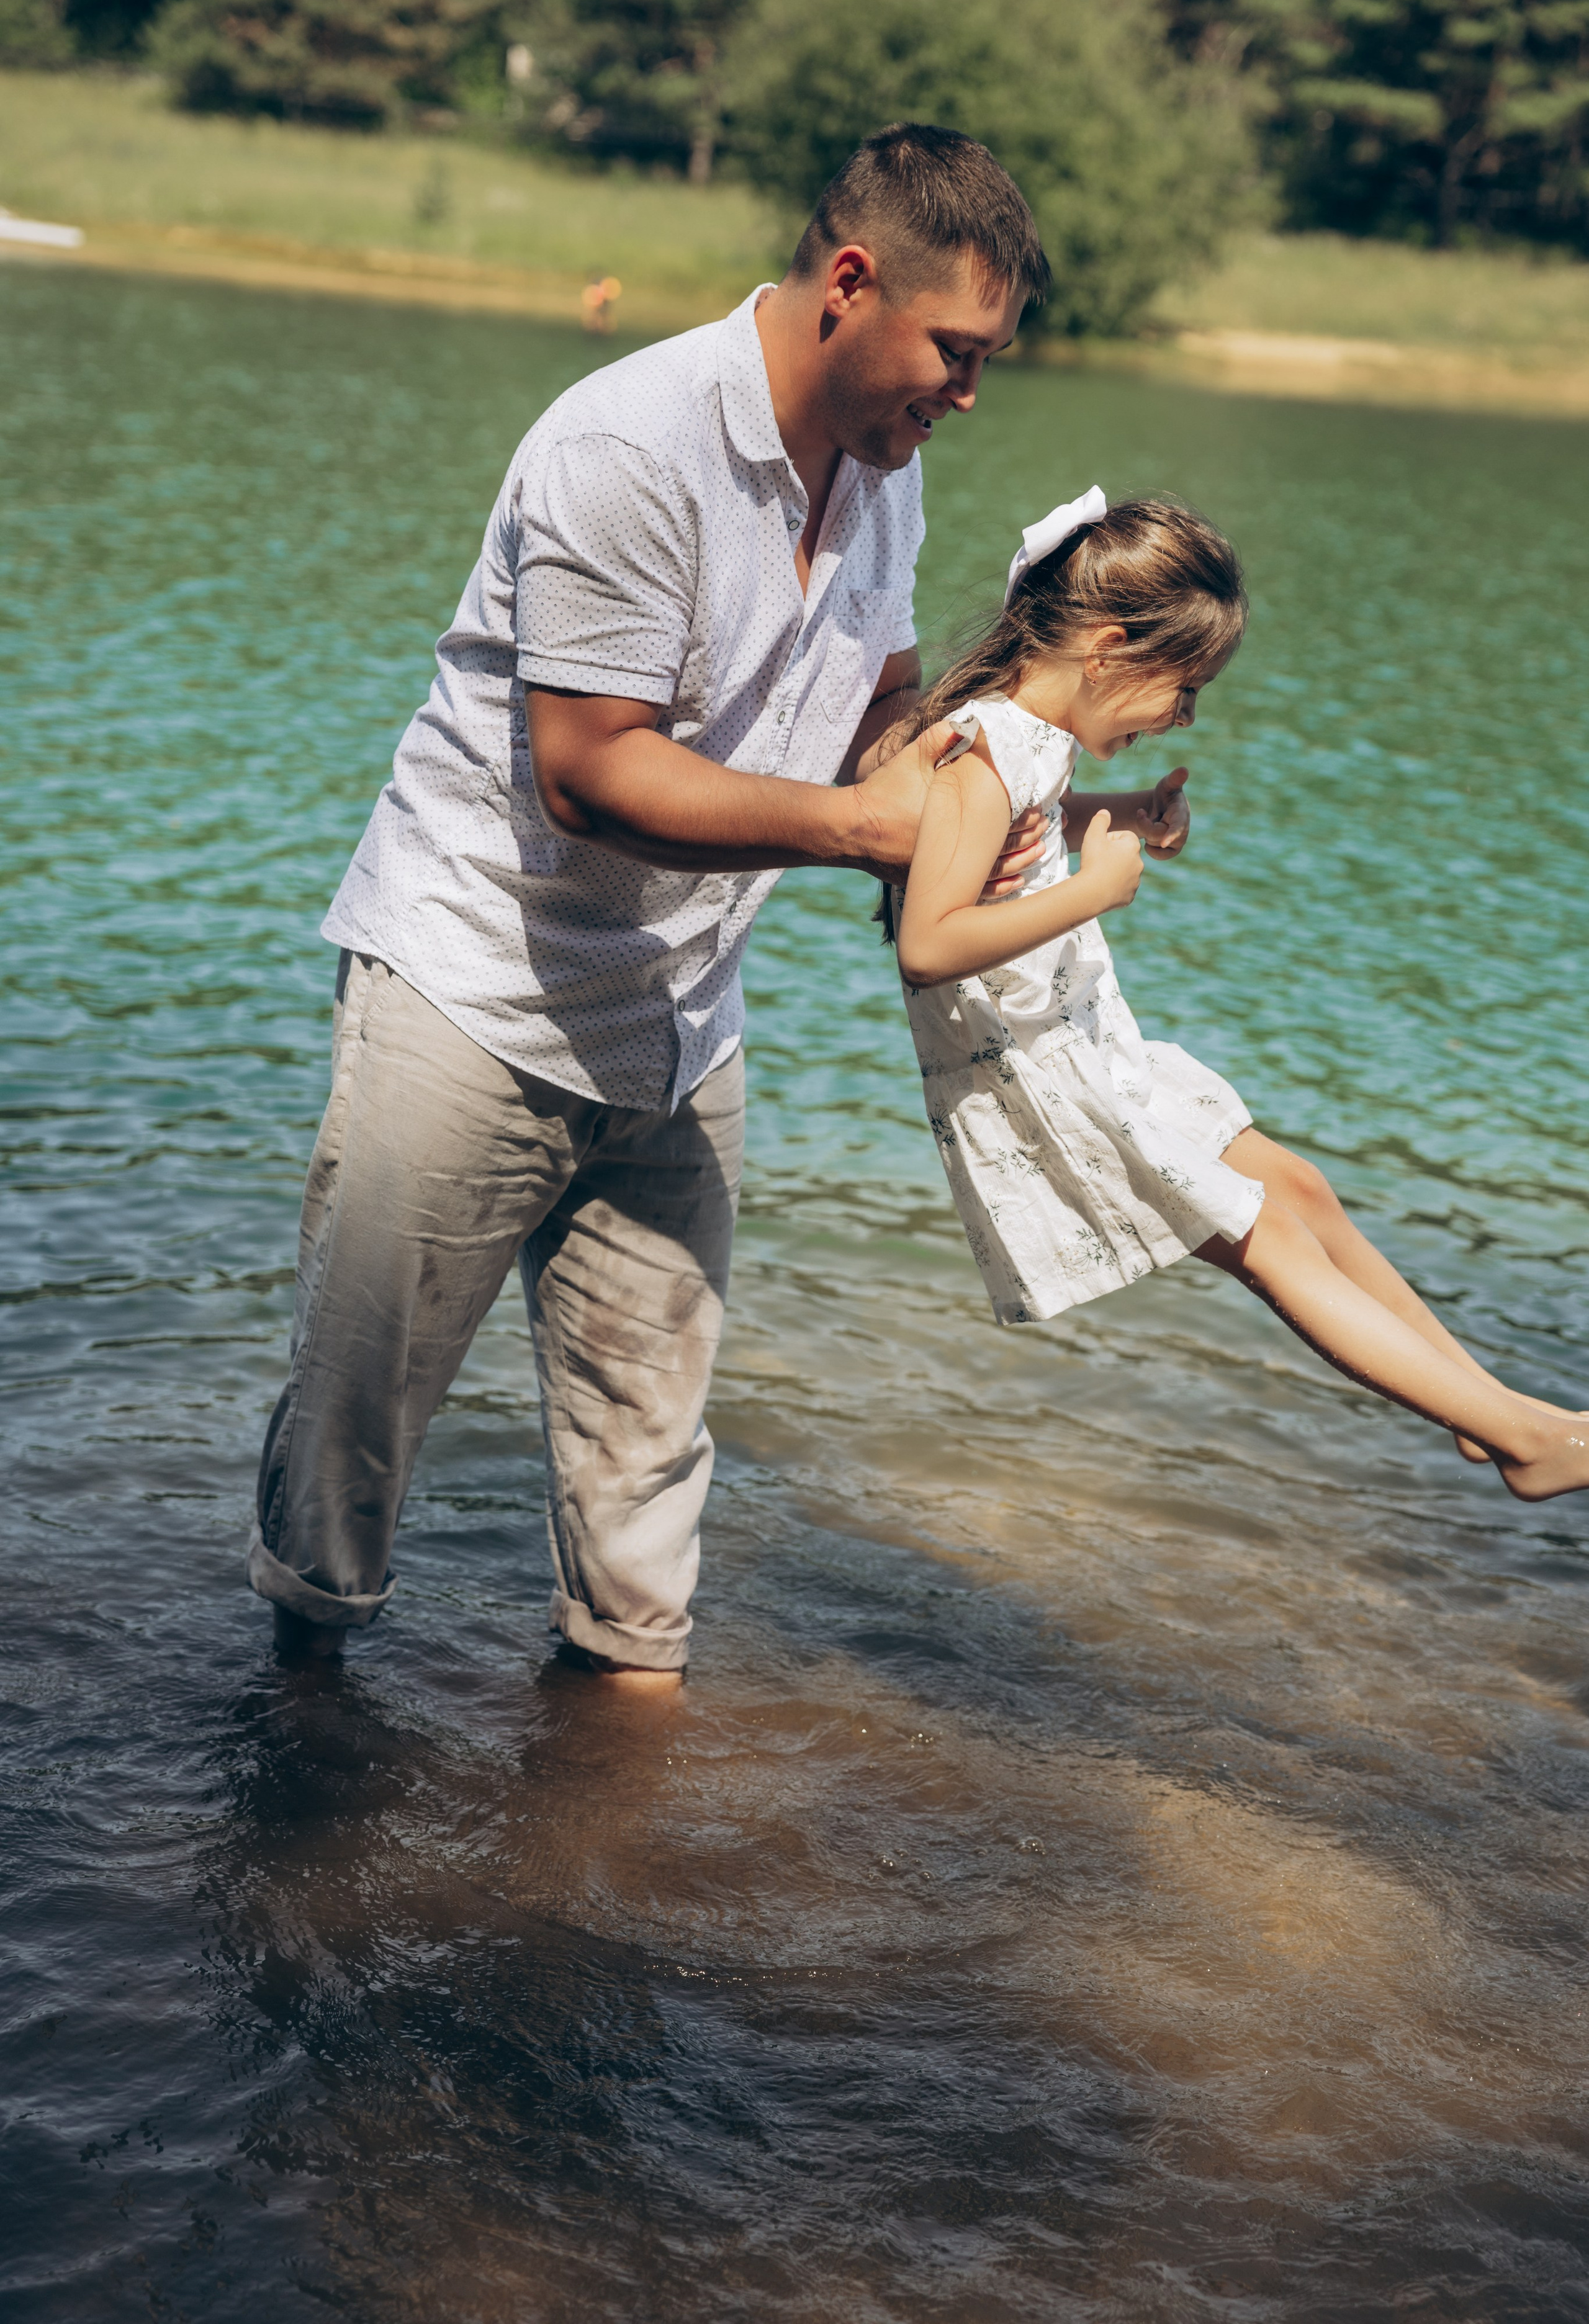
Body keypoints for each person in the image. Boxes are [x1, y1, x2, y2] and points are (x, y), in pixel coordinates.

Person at [250, 126, 1199, 1680]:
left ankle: (624, 1770)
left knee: (645, 1468)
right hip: (474, 1000)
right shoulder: (628, 446)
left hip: (680, 1026)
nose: (967, 396)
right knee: (355, 1442)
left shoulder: (886, 471)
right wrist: (855, 830)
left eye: (986, 365)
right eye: (954, 354)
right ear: (848, 282)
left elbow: (876, 724)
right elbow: (590, 773)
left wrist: (1014, 803)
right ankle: (294, 1758)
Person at [886, 487, 1589, 1501]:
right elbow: (929, 942)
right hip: (1048, 1073)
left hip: (1093, 1045)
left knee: (1298, 1187)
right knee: (1270, 1239)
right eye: (1185, 686)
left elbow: (1025, 822)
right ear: (1110, 648)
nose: (1187, 714)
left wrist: (1123, 811)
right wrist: (1095, 891)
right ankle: (1530, 1446)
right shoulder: (982, 750)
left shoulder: (1027, 741)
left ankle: (1489, 1414)